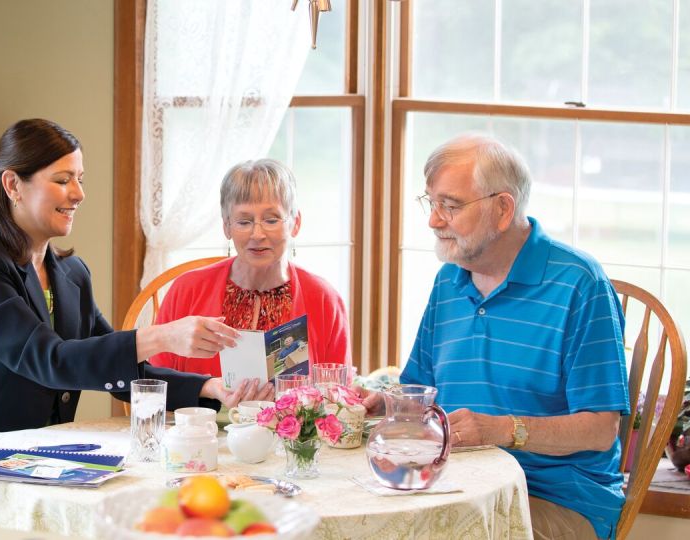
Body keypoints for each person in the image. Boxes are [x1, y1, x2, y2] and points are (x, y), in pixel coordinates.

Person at [0, 119, 274, 520]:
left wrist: (210, 387)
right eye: (62, 180)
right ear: (12, 185)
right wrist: (160, 336)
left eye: (79, 179)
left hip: (29, 466)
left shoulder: (72, 273)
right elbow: (50, 362)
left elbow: (115, 371)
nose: (78, 194)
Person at [363, 134, 628, 539]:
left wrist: (502, 430)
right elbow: (423, 387)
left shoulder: (578, 285)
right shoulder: (449, 278)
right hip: (458, 485)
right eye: (431, 203)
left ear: (503, 209)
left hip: (553, 499)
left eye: (450, 206)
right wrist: (389, 402)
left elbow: (599, 429)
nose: (434, 220)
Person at [149, 159, 350, 376]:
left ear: (295, 223)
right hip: (200, 411)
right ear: (227, 227)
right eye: (244, 222)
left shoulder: (324, 298)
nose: (257, 235)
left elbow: (338, 393)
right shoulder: (186, 290)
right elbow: (156, 384)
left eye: (271, 220)